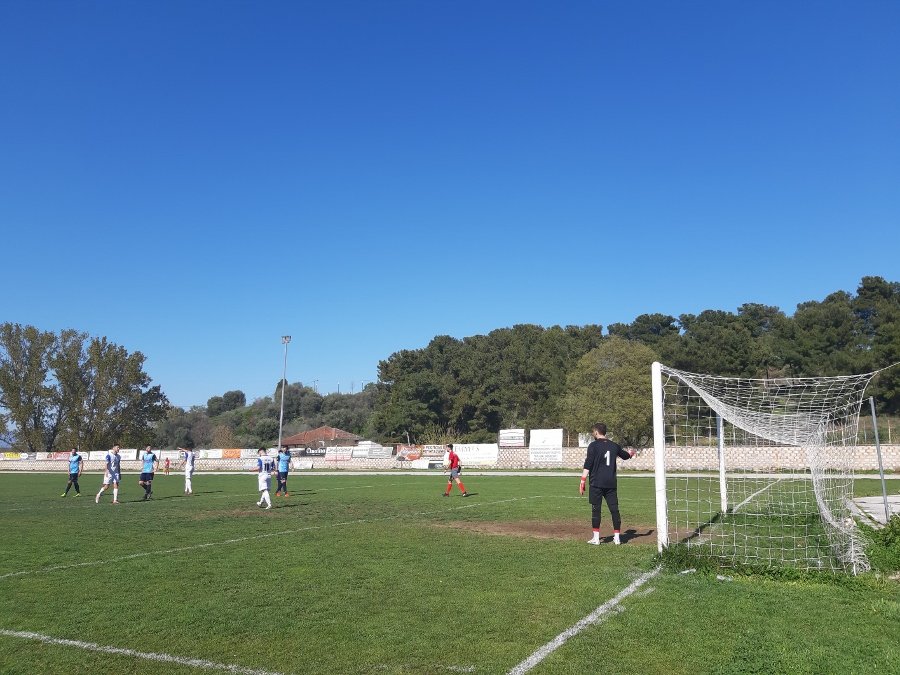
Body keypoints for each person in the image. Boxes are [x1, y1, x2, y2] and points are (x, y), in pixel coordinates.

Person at [580, 423, 635, 545]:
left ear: (596, 432)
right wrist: (631, 454)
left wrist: (583, 479)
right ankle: (617, 538)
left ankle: (596, 538)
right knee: (614, 510)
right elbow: (625, 456)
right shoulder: (614, 445)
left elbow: (588, 463)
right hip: (611, 483)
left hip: (596, 483)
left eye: (593, 432)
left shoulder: (593, 446)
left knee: (596, 510)